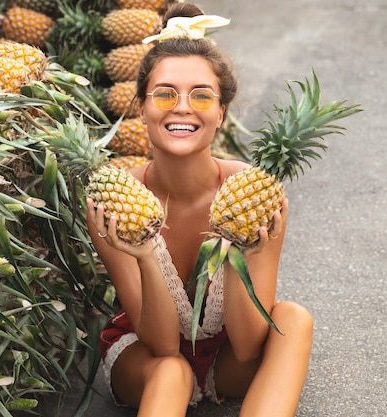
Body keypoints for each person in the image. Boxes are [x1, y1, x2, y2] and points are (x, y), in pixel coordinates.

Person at [86, 3, 313, 416]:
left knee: (295, 320)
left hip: (229, 355)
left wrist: (238, 254)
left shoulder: (251, 193)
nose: (182, 107)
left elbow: (246, 347)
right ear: (142, 107)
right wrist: (145, 258)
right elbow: (162, 344)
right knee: (173, 370)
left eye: (202, 96)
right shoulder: (116, 199)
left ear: (221, 112)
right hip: (147, 359)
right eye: (165, 93)